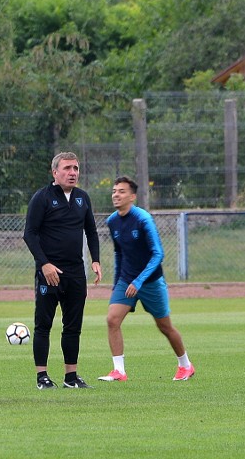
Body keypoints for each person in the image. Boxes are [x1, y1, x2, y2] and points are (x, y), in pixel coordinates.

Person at [98, 176, 194, 383]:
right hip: (126, 280)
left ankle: (185, 365)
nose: (116, 194)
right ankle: (119, 371)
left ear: (132, 196)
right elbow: (119, 254)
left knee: (165, 327)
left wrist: (139, 282)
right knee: (112, 319)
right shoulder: (112, 220)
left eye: (122, 191)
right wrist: (118, 283)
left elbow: (158, 254)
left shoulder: (143, 219)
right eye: (114, 190)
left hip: (150, 281)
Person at [23, 152, 102, 389]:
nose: (73, 173)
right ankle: (42, 377)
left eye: (76, 168)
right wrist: (44, 264)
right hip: (49, 273)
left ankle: (71, 377)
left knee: (73, 326)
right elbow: (30, 234)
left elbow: (92, 231)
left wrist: (95, 260)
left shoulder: (82, 198)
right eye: (67, 168)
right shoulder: (42, 198)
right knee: (43, 325)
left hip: (76, 273)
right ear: (54, 172)